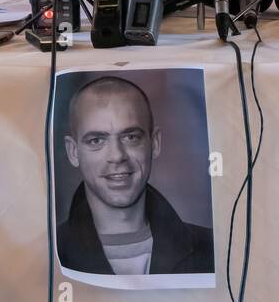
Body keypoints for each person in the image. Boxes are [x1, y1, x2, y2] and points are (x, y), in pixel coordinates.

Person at [58, 76, 213, 276]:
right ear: (73, 151)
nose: (117, 156)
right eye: (96, 140)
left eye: (130, 137)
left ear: (155, 143)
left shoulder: (211, 250)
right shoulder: (46, 253)